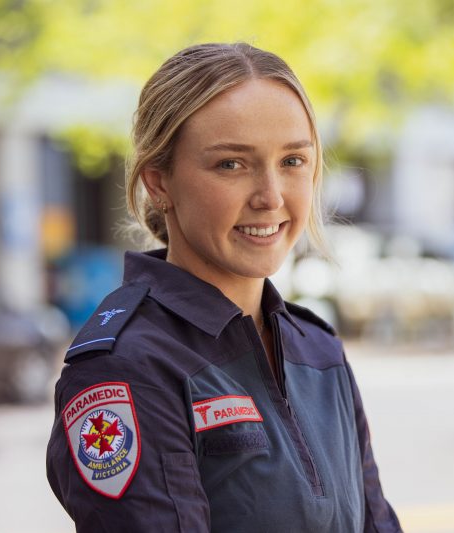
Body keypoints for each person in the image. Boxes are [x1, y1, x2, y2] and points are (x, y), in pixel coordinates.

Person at [46, 42, 402, 533]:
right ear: (159, 183)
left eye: (293, 161)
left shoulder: (318, 348)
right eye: (232, 164)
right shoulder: (126, 368)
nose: (271, 196)